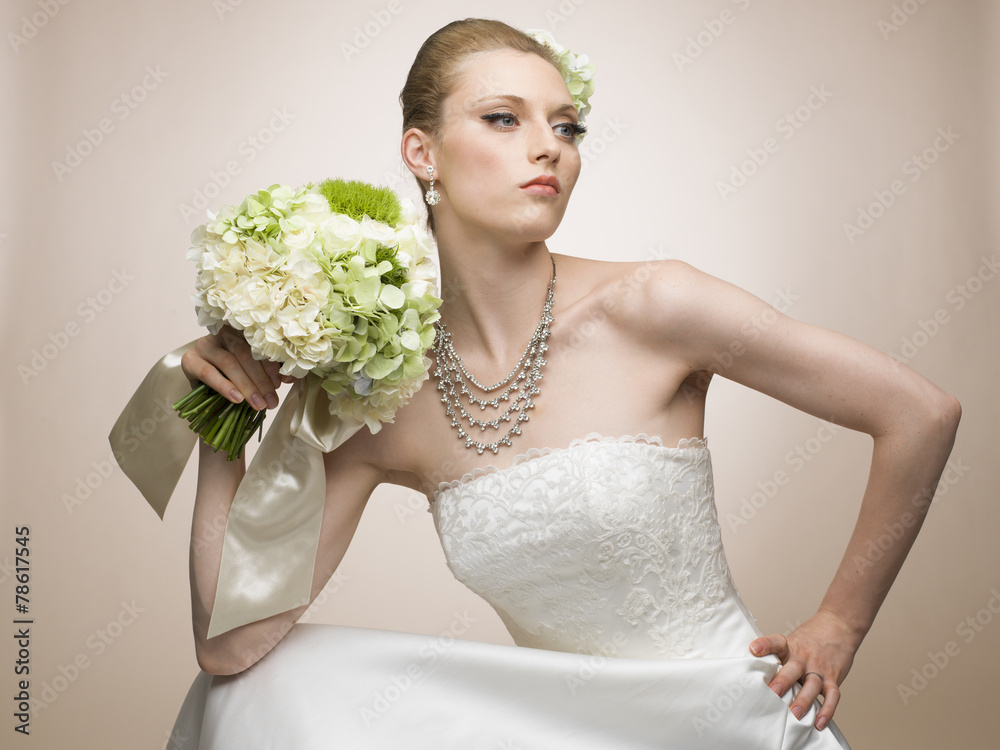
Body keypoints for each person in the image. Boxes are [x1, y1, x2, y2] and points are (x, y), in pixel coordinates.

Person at [158, 18, 959, 749]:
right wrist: (229, 417)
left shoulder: (654, 305)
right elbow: (232, 644)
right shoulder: (379, 396)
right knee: (257, 694)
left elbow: (919, 413)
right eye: (504, 119)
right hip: (567, 731)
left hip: (727, 721)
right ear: (421, 152)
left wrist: (838, 625)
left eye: (566, 126)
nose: (550, 147)